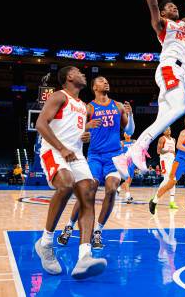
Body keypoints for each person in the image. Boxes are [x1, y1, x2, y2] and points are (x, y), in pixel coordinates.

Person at [122, 0, 185, 173]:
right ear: (164, 13)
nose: (174, 8)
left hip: (182, 73)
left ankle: (126, 159)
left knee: (164, 116)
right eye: (171, 7)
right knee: (181, 108)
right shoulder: (163, 24)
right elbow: (153, 4)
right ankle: (140, 144)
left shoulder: (184, 23)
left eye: (176, 6)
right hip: (169, 68)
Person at [35, 66, 106, 279]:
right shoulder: (59, 96)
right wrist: (62, 148)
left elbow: (71, 129)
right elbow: (40, 124)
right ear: (69, 77)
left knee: (88, 192)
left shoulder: (83, 106)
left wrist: (84, 135)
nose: (83, 74)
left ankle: (85, 256)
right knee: (65, 184)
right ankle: (45, 243)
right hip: (54, 151)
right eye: (78, 72)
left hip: (75, 154)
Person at [57, 76, 134, 250]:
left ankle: (98, 231)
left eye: (107, 80)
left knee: (112, 188)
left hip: (114, 156)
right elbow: (76, 131)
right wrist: (85, 131)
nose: (106, 82)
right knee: (88, 192)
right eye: (101, 81)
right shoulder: (88, 108)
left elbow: (129, 130)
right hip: (95, 156)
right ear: (94, 87)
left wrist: (130, 115)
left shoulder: (118, 106)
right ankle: (69, 226)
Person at [149, 116, 185, 214]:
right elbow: (178, 145)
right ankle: (154, 201)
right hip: (179, 162)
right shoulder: (184, 132)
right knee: (169, 185)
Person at [154, 127, 178, 209]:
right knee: (168, 179)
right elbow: (158, 151)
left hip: (172, 161)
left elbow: (174, 151)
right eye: (166, 129)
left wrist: (174, 155)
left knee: (172, 180)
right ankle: (156, 198)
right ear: (163, 131)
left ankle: (171, 202)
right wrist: (168, 151)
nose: (168, 131)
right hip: (164, 160)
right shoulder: (162, 139)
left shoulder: (173, 140)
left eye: (169, 129)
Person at [118, 133, 136, 203]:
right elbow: (119, 152)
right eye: (126, 133)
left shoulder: (134, 142)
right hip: (125, 161)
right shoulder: (122, 142)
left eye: (129, 133)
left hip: (133, 162)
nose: (128, 134)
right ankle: (128, 197)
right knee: (127, 179)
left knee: (129, 181)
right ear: (124, 134)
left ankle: (118, 189)